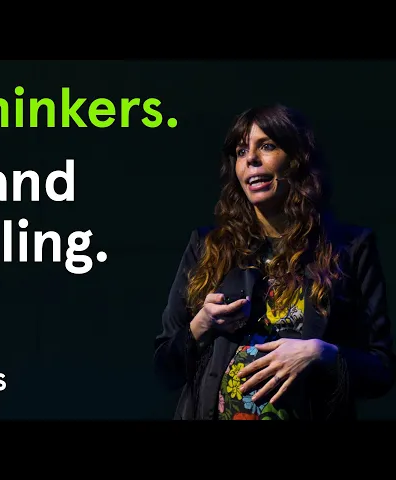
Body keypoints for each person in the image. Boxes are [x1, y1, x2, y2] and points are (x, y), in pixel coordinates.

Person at [154, 104, 395, 420]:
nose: (250, 159)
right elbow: (165, 369)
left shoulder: (350, 248)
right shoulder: (206, 246)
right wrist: (201, 325)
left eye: (266, 146)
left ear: (296, 159)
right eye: (241, 151)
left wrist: (321, 353)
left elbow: (380, 371)